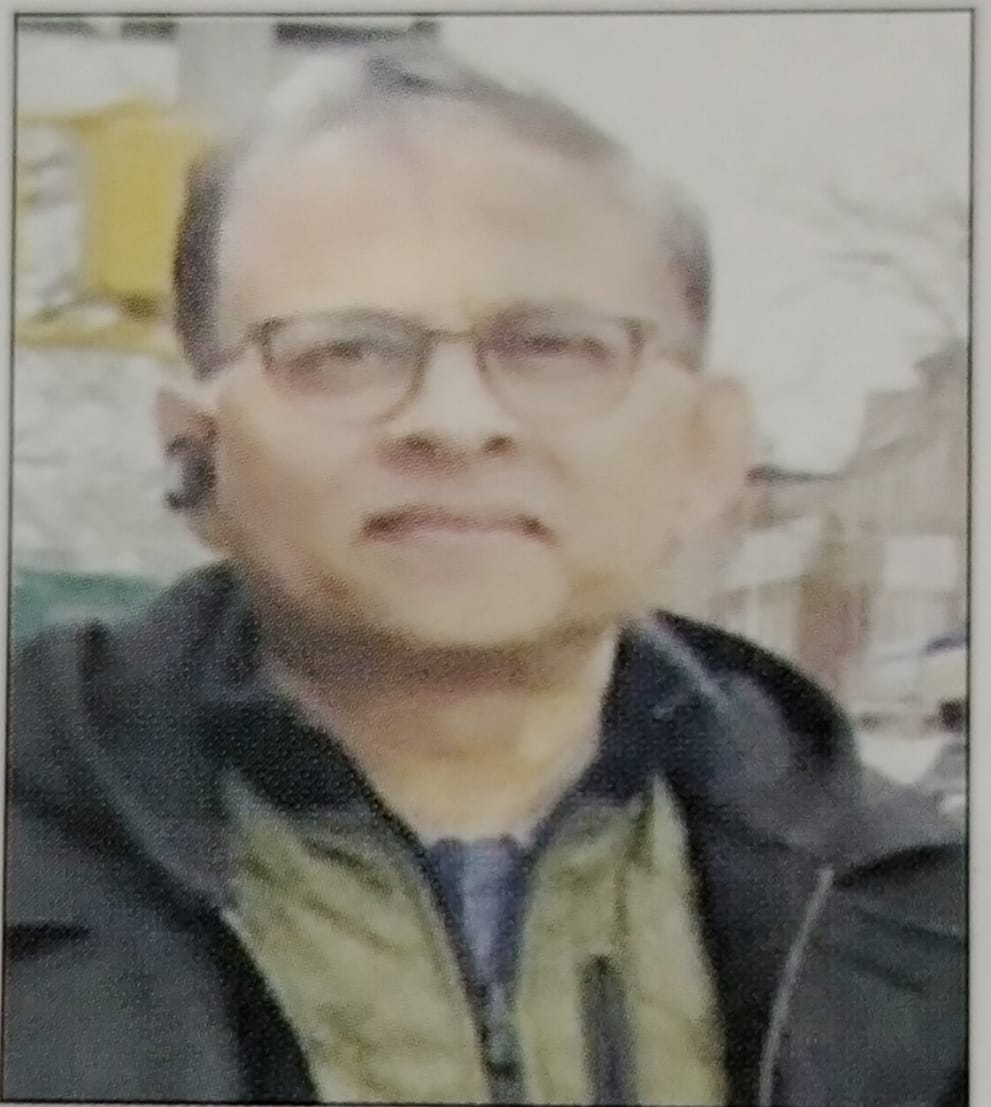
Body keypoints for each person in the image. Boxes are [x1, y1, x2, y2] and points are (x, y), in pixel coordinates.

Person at [5, 41, 964, 1107]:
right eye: (345, 351)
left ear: (704, 449)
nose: (455, 423)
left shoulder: (926, 934)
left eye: (552, 346)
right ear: (194, 454)